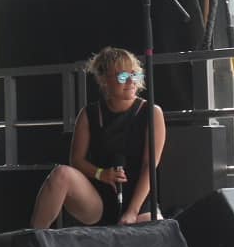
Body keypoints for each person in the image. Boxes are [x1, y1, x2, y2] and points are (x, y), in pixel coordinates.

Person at [28, 48, 165, 229]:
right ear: (104, 80)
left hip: (139, 201)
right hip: (97, 199)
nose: (132, 82)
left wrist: (132, 211)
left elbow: (150, 166)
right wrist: (101, 174)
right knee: (61, 174)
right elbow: (76, 161)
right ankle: (33, 239)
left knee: (154, 232)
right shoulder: (89, 114)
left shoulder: (152, 112)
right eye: (123, 77)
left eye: (135, 75)